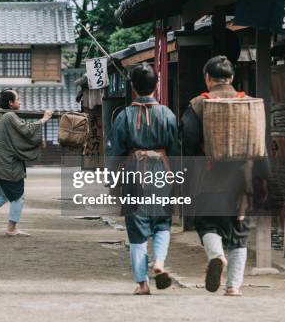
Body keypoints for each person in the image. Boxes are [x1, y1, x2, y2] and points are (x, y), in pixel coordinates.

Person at [181, 55, 266, 296]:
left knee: (207, 223)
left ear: (207, 78)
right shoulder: (250, 103)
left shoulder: (198, 104)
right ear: (231, 78)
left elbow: (188, 140)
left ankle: (217, 256)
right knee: (240, 232)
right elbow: (261, 145)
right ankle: (233, 287)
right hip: (243, 179)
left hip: (209, 178)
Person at [110, 63, 180, 295]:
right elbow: (175, 150)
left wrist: (112, 181)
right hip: (162, 171)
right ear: (156, 85)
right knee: (162, 223)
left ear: (132, 87)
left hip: (133, 173)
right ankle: (159, 262)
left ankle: (142, 283)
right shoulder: (167, 114)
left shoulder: (123, 116)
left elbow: (116, 152)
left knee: (137, 231)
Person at [0, 89, 52, 236]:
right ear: (11, 103)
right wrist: (44, 119)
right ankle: (11, 228)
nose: (20, 102)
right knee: (18, 197)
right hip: (8, 165)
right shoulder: (9, 116)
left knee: (4, 195)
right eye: (18, 99)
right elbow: (26, 130)